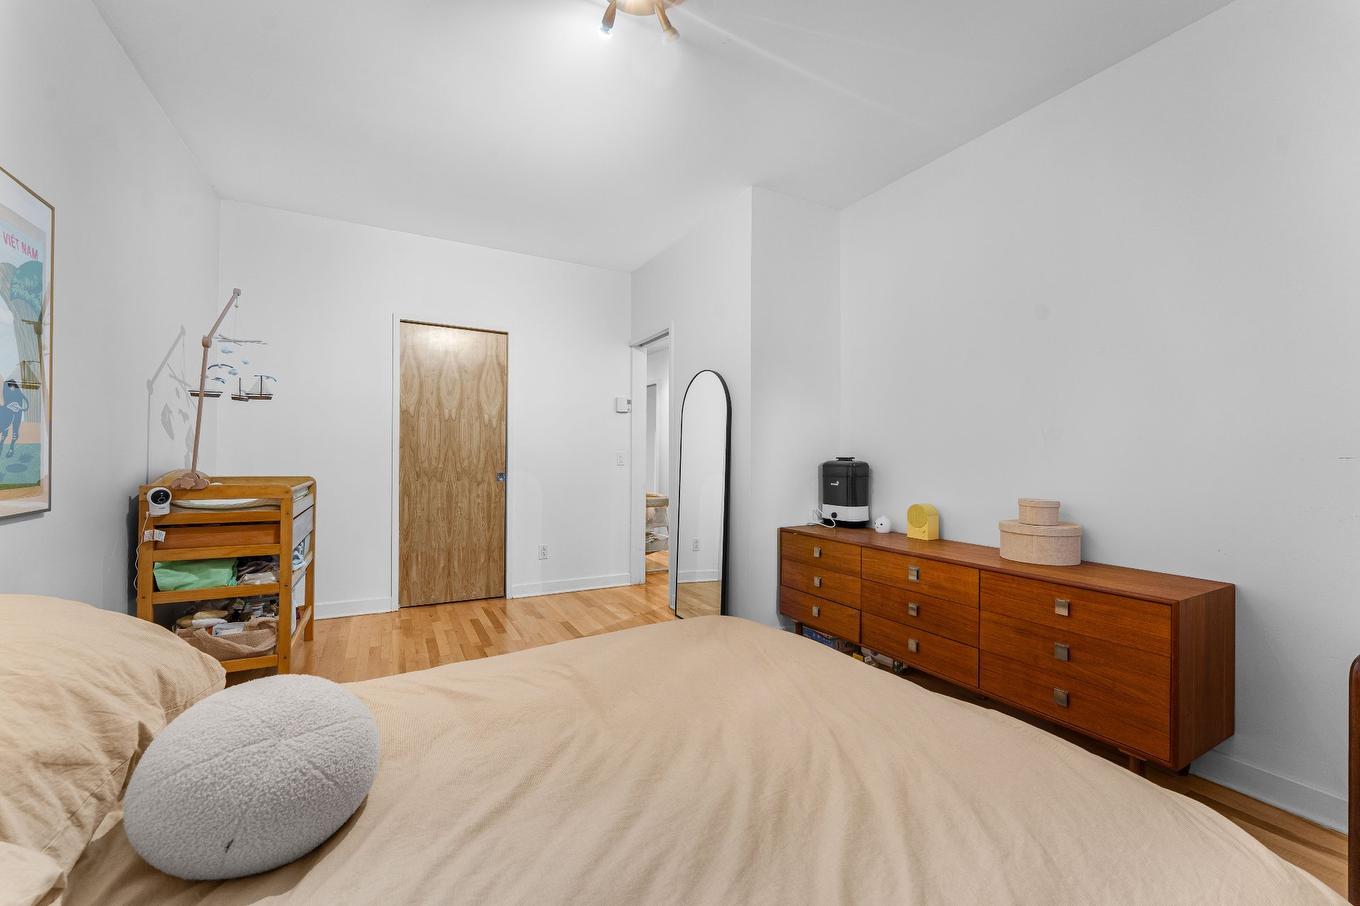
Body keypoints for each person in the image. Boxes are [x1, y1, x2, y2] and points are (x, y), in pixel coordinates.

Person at [1, 379, 29, 457]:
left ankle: (11, 448)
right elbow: (5, 402)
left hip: (16, 411)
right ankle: (2, 443)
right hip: (8, 411)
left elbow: (25, 405)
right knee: (5, 429)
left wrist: (18, 407)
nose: (12, 387)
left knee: (15, 430)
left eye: (13, 386)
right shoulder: (6, 389)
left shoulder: (17, 391)